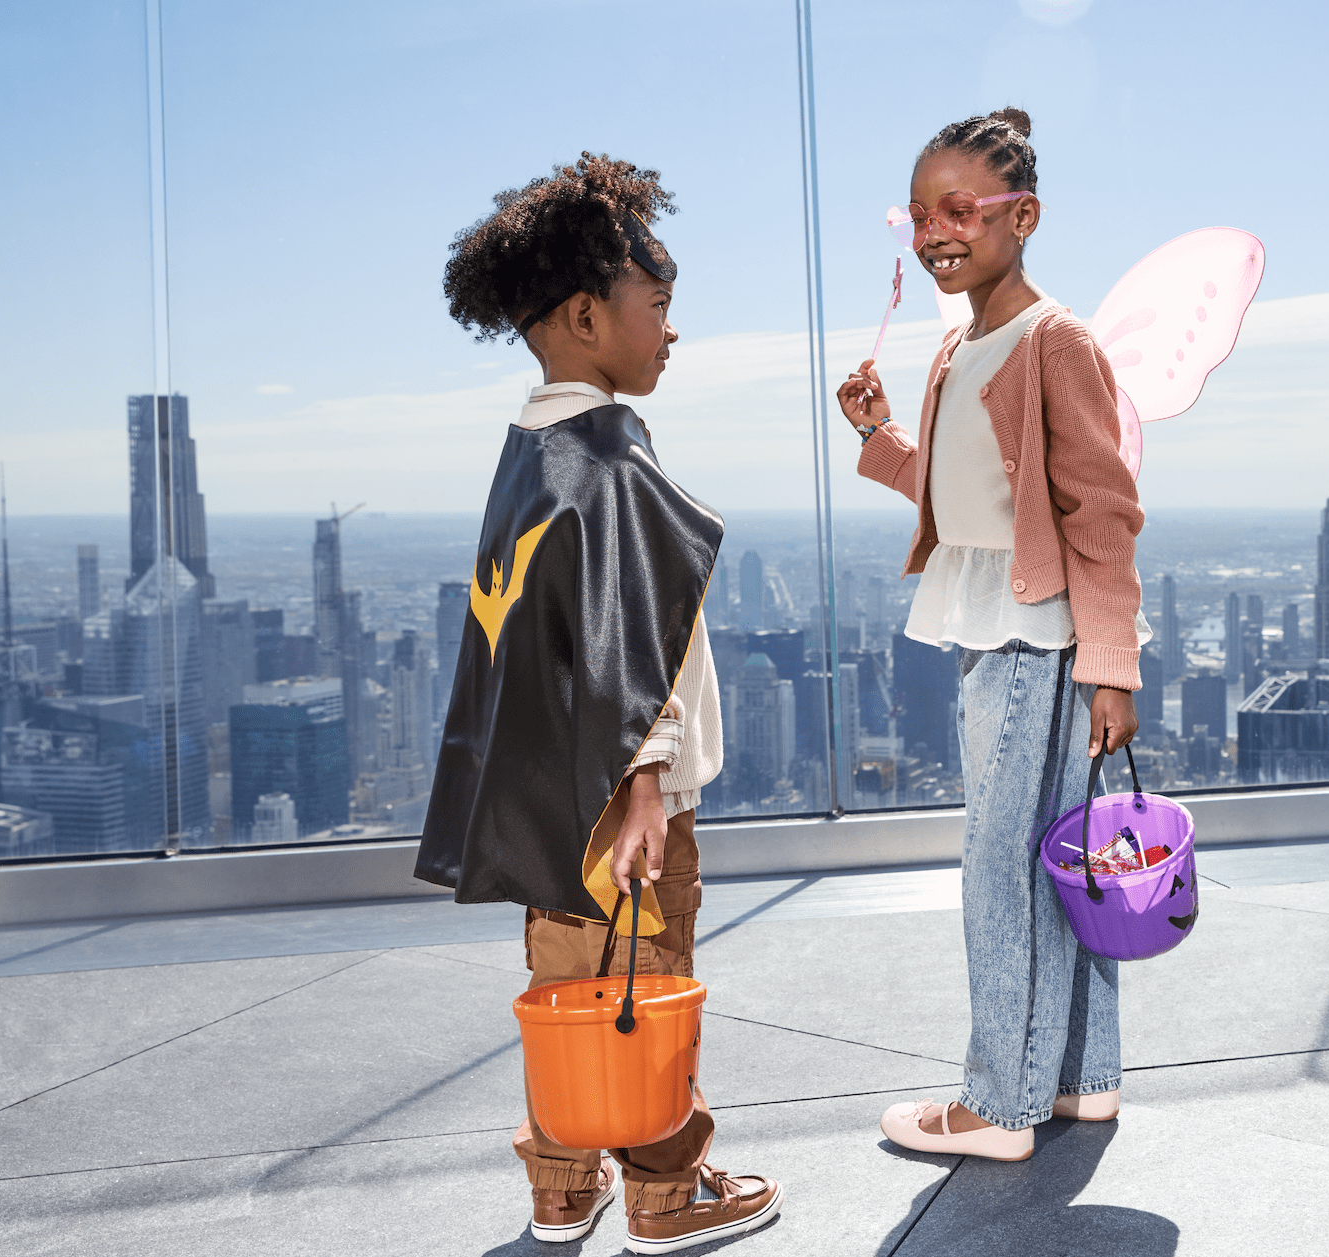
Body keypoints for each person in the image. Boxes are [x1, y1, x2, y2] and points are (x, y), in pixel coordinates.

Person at [418, 153, 782, 1252]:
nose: (672, 331)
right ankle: (668, 1189)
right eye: (657, 304)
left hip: (545, 800)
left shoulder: (530, 453)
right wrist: (646, 785)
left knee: (568, 986)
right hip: (624, 803)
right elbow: (629, 632)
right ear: (586, 316)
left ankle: (561, 1180)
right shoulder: (610, 452)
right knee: (646, 983)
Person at [838, 108, 1148, 1162]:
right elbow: (960, 494)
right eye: (920, 213)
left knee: (1000, 866)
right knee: (1056, 859)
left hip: (1032, 638)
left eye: (960, 210)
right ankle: (1077, 1080)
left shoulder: (1055, 342)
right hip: (994, 619)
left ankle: (997, 1105)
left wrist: (1111, 666)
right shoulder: (959, 346)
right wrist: (878, 435)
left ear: (1023, 217)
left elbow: (1100, 513)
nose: (935, 232)